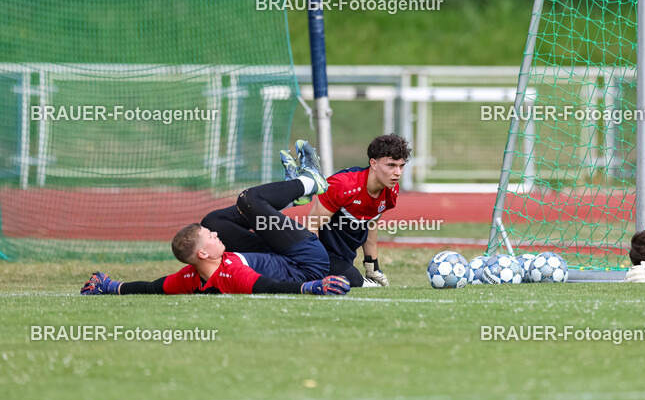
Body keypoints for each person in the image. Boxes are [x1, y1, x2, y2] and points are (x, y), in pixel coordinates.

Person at [81, 147, 349, 296]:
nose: (214, 236)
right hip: (306, 261)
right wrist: (311, 287)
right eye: (209, 238)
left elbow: (152, 287)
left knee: (213, 219)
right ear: (202, 252)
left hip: (275, 253)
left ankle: (287, 199)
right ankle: (308, 181)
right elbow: (272, 287)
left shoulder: (191, 277)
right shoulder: (233, 274)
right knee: (248, 199)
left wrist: (110, 286)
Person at [281, 134, 410, 287]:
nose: (398, 173)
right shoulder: (344, 185)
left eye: (401, 166)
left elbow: (371, 225)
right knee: (352, 280)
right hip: (320, 252)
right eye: (391, 165)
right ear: (373, 163)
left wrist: (373, 267)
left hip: (342, 257)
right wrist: (314, 265)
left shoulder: (391, 190)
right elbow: (312, 225)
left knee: (351, 278)